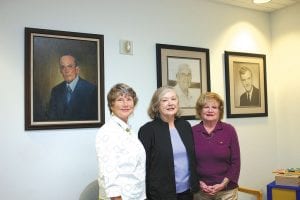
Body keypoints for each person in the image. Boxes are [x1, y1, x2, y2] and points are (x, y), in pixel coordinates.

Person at [138, 86, 199, 200]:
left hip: (187, 192)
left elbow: (192, 159)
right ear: (156, 106)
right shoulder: (147, 130)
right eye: (165, 100)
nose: (170, 103)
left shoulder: (185, 126)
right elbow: (143, 166)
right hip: (161, 194)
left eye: (173, 99)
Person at [95, 83, 146, 200]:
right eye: (120, 100)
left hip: (135, 195)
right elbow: (108, 171)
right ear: (111, 105)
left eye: (129, 99)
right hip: (120, 197)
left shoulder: (128, 129)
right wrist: (116, 198)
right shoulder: (108, 132)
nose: (125, 104)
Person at [192, 92, 240, 200]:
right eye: (206, 107)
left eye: (214, 107)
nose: (210, 110)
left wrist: (223, 184)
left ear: (220, 111)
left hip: (227, 191)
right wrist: (199, 183)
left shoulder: (229, 130)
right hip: (201, 191)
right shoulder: (192, 132)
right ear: (200, 110)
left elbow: (236, 162)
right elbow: (189, 163)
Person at [47, 53, 98, 120]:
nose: (66, 71)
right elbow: (51, 118)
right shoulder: (56, 91)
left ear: (77, 69)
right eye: (63, 67)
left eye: (69, 66)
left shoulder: (91, 90)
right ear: (60, 71)